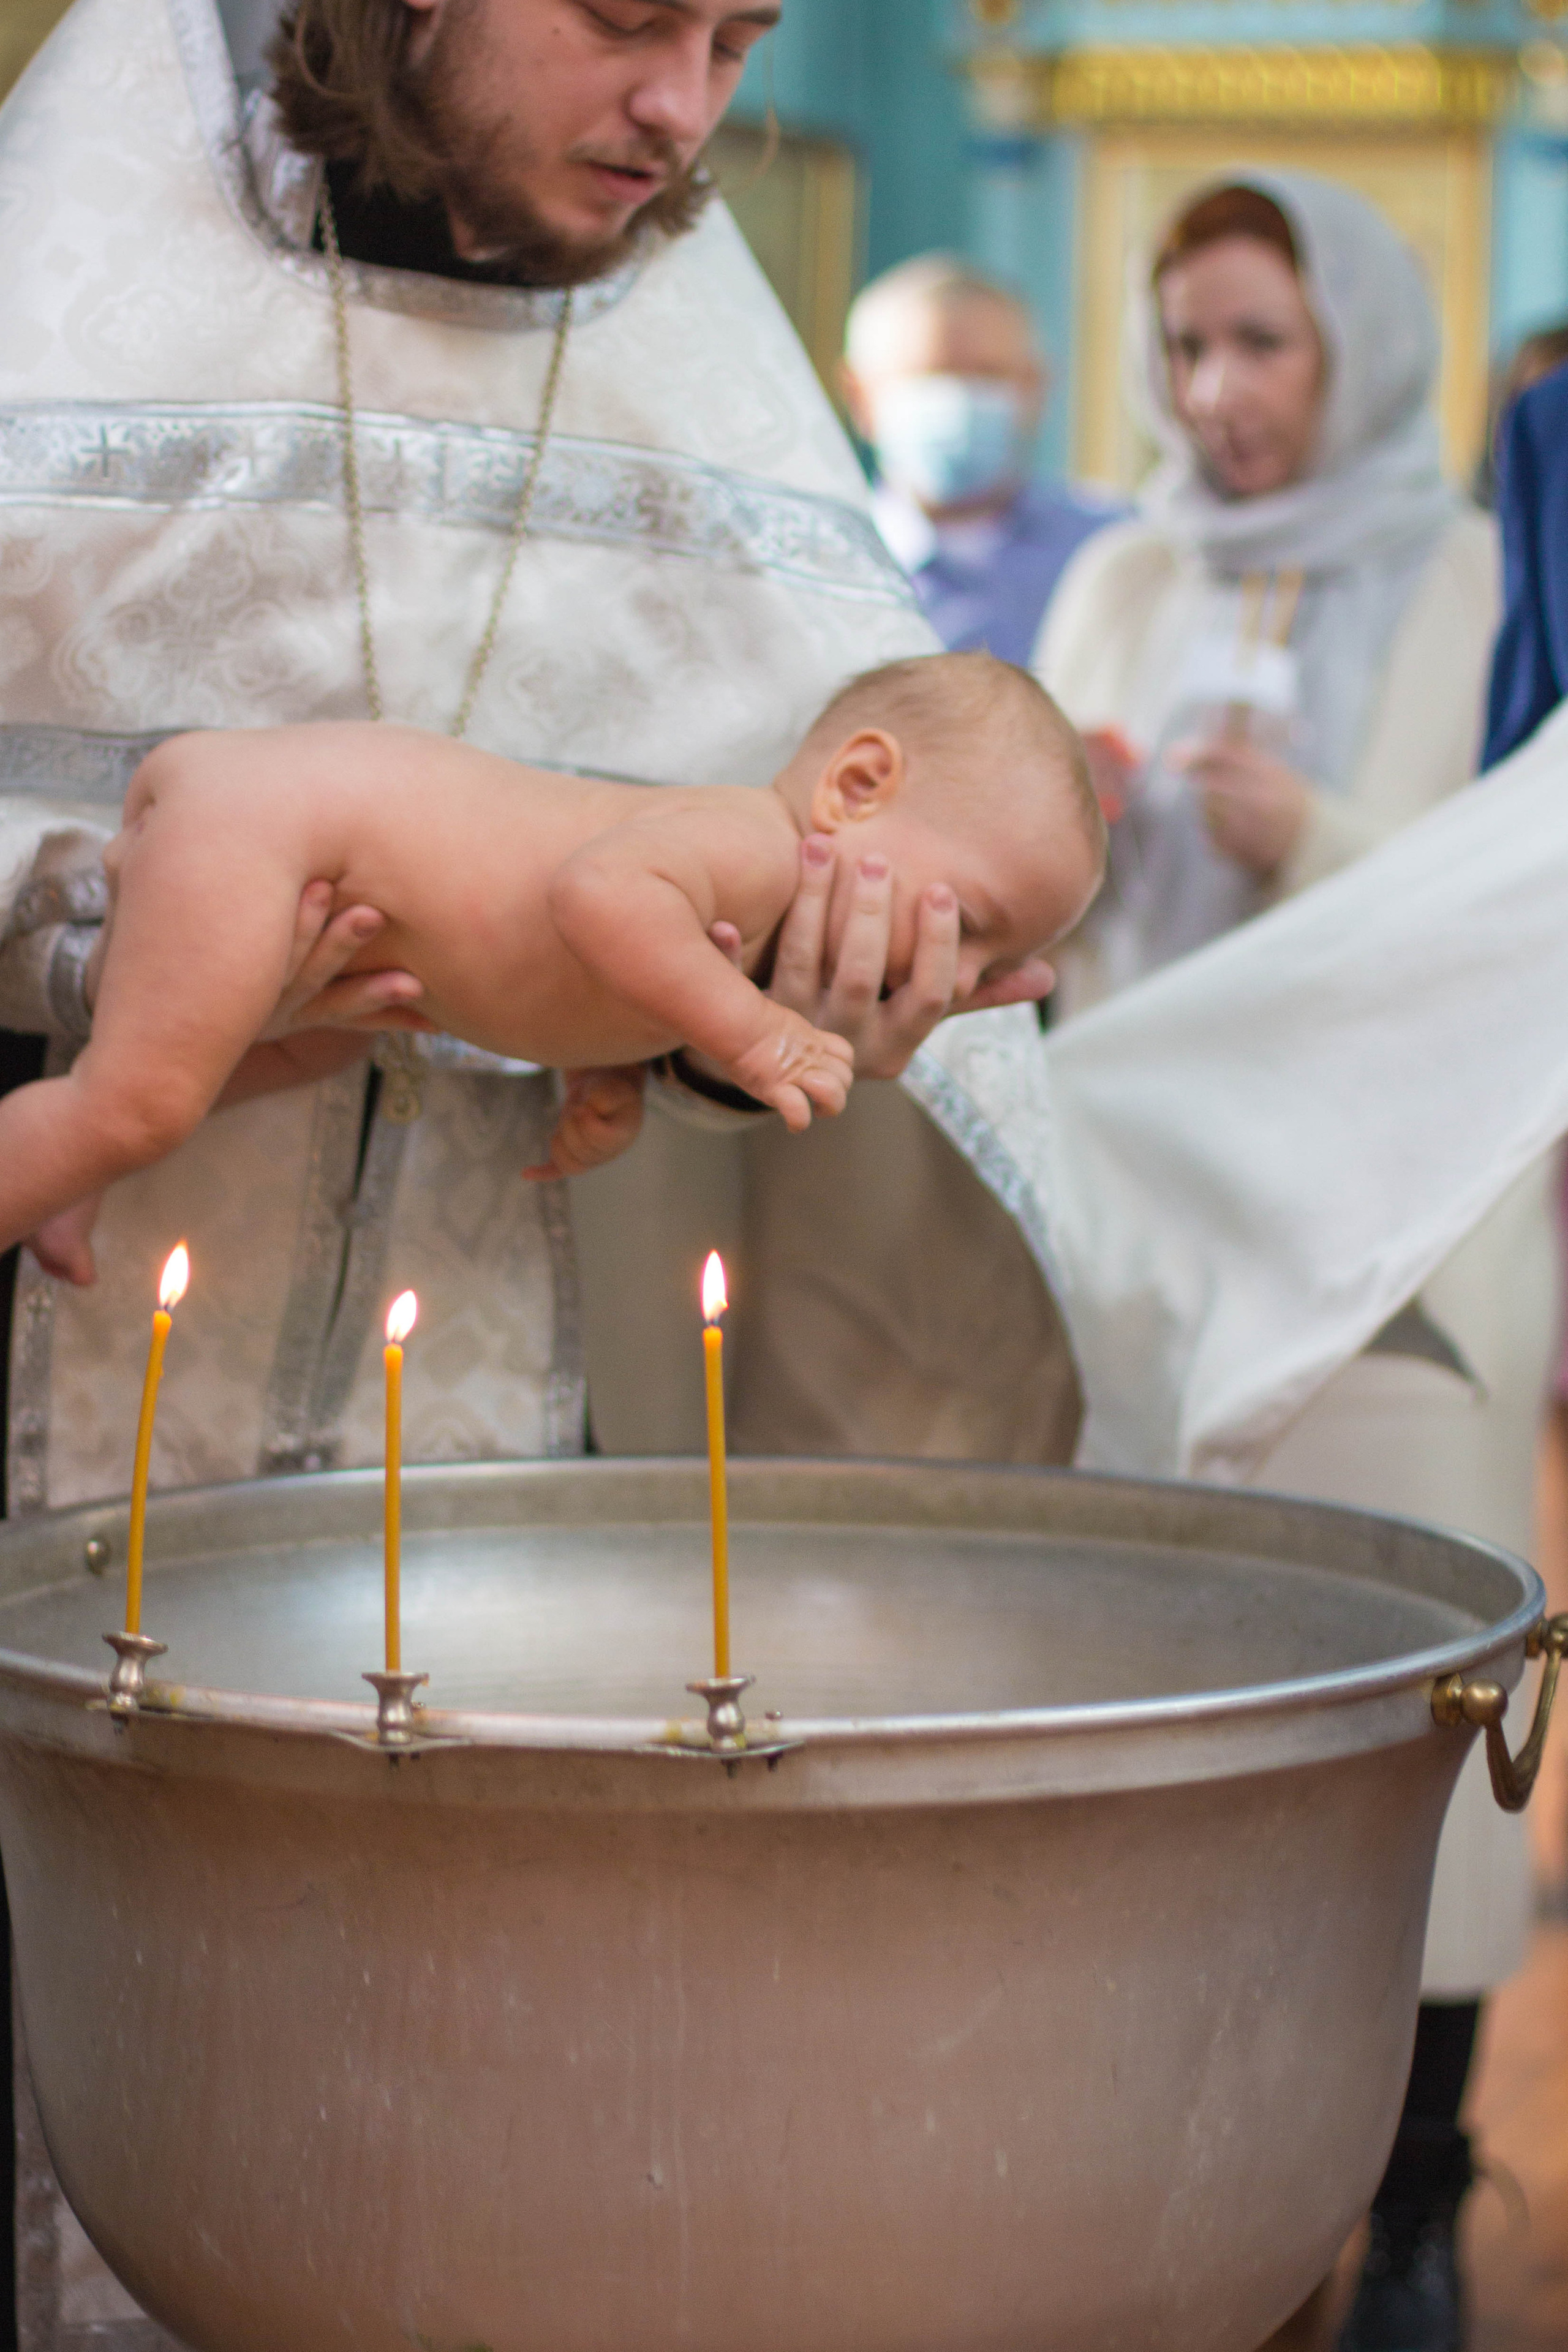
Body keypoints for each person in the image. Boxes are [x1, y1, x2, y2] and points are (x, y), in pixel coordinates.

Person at [1039, 172, 1548, 2352]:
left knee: (1407, 1758)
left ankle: (1419, 2202)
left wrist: (1309, 842)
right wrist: (1056, 813)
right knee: (1163, 1730)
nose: (1212, 394)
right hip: (1147, 1242)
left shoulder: (1468, 572)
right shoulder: (1119, 571)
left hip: (1399, 1266)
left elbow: (1500, 908)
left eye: (1256, 344)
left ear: (1347, 351)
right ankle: (1172, 2188)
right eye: (1181, 347)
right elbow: (1026, 886)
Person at [4, 657, 1098, 1265]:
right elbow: (596, 896)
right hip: (278, 831)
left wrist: (610, 1077)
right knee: (137, 1101)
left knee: (299, 1053)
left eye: (1001, 957)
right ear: (856, 789)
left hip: (312, 861)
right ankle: (77, 1150)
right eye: (977, 922)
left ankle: (73, 1188)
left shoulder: (749, 915)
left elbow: (600, 979)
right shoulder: (756, 846)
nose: (962, 977)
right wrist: (754, 1033)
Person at [840, 255, 1120, 668]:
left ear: (1035, 386)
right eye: (931, 376)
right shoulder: (827, 569)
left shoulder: (1110, 550)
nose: (961, 399)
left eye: (989, 375)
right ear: (860, 397)